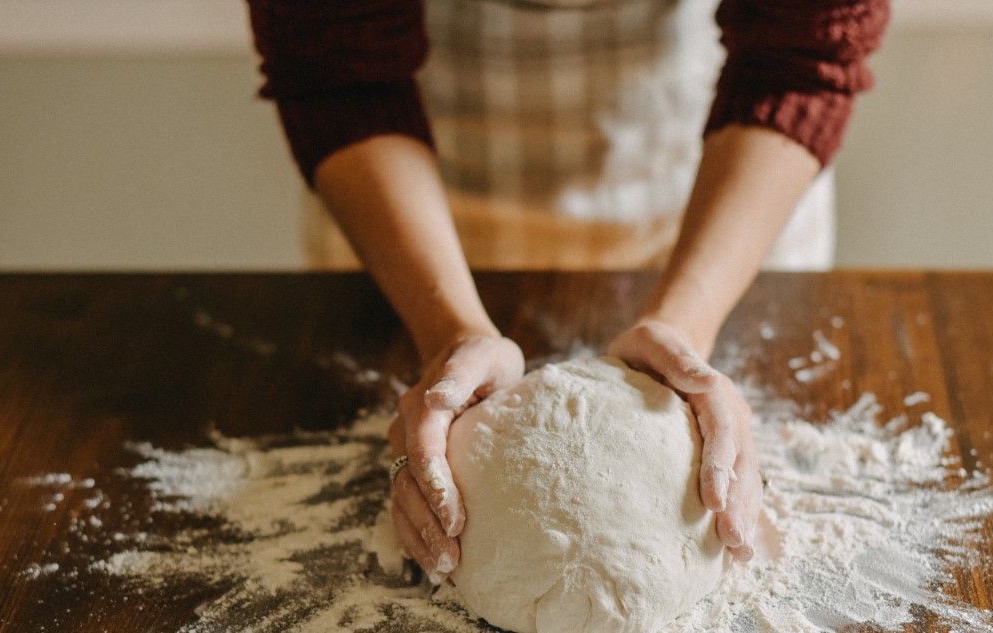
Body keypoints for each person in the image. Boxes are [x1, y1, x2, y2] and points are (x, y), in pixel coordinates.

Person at [246, 0, 889, 586]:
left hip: (708, 174)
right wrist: (448, 332)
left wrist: (685, 332)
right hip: (408, 182)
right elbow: (338, 68)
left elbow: (799, 56)